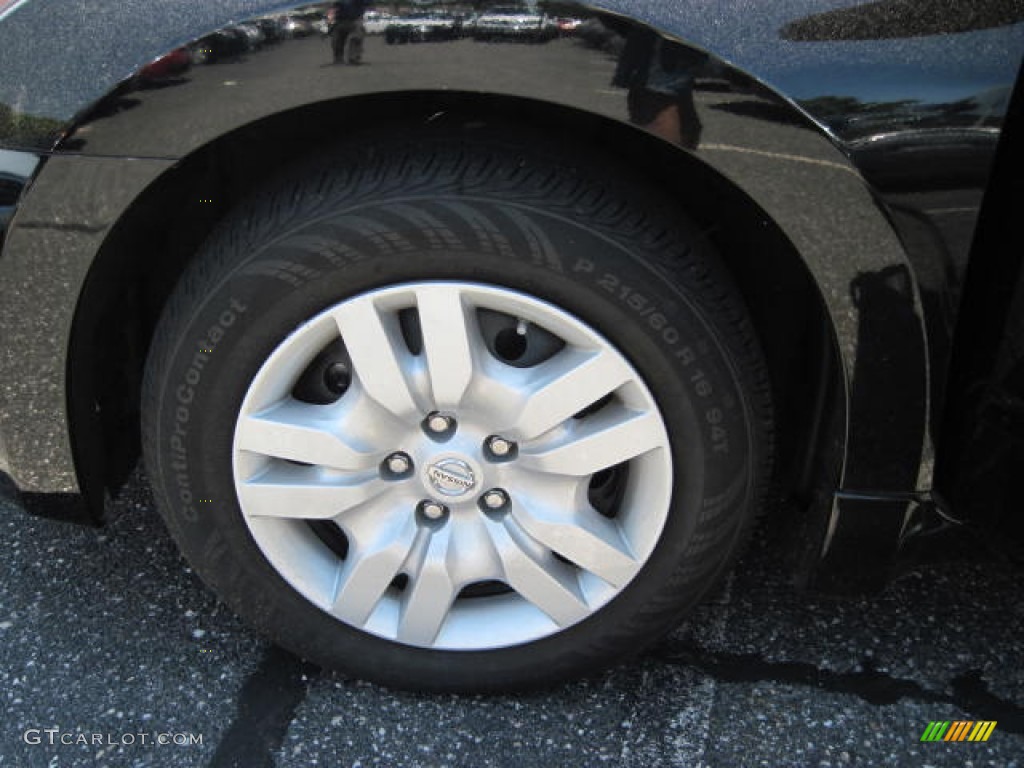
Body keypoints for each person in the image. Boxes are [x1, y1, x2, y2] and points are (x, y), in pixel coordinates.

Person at [330, 0, 367, 65]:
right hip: (339, 21)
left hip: (355, 19)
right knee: (336, 40)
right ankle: (338, 58)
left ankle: (354, 58)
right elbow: (333, 8)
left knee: (356, 38)